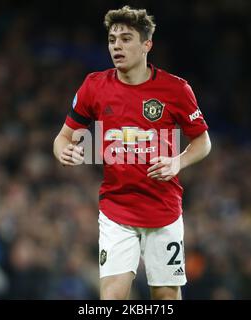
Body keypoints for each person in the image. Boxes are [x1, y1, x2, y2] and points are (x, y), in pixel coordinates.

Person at [53, 6, 211, 300]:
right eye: (112, 39)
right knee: (112, 298)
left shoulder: (175, 90)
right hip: (117, 211)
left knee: (165, 296)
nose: (117, 46)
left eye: (126, 39)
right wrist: (64, 152)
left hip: (163, 211)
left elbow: (203, 142)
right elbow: (62, 138)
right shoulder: (94, 86)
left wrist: (178, 161)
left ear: (146, 45)